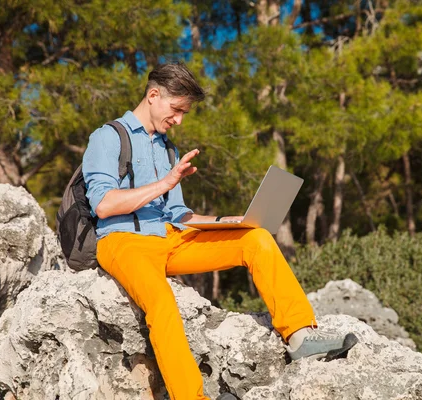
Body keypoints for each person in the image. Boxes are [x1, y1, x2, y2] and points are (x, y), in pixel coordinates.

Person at [82, 62, 357, 400]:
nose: (180, 119)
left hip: (171, 238)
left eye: (185, 112)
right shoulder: (108, 137)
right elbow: (104, 205)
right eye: (177, 109)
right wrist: (165, 182)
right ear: (153, 95)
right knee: (162, 303)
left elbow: (179, 213)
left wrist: (228, 222)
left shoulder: (167, 148)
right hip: (123, 241)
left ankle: (300, 336)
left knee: (255, 238)